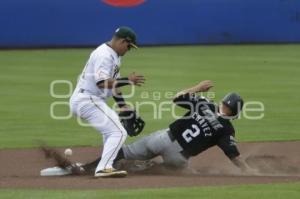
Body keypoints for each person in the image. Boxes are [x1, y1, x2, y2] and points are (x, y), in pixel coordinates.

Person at [78, 80, 254, 174]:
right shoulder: (227, 130)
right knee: (178, 172)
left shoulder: (205, 104)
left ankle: (87, 168)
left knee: (124, 151)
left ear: (222, 102)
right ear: (235, 113)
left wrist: (198, 87)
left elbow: (177, 98)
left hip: (162, 139)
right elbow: (234, 157)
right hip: (177, 158)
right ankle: (144, 168)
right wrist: (250, 171)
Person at [69, 26, 145, 178]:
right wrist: (128, 80)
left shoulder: (115, 55)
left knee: (111, 132)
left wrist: (122, 105)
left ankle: (104, 164)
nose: (128, 50)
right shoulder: (104, 55)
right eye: (129, 47)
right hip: (87, 99)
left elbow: (113, 83)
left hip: (92, 99)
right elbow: (102, 83)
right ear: (123, 41)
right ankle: (103, 168)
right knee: (118, 132)